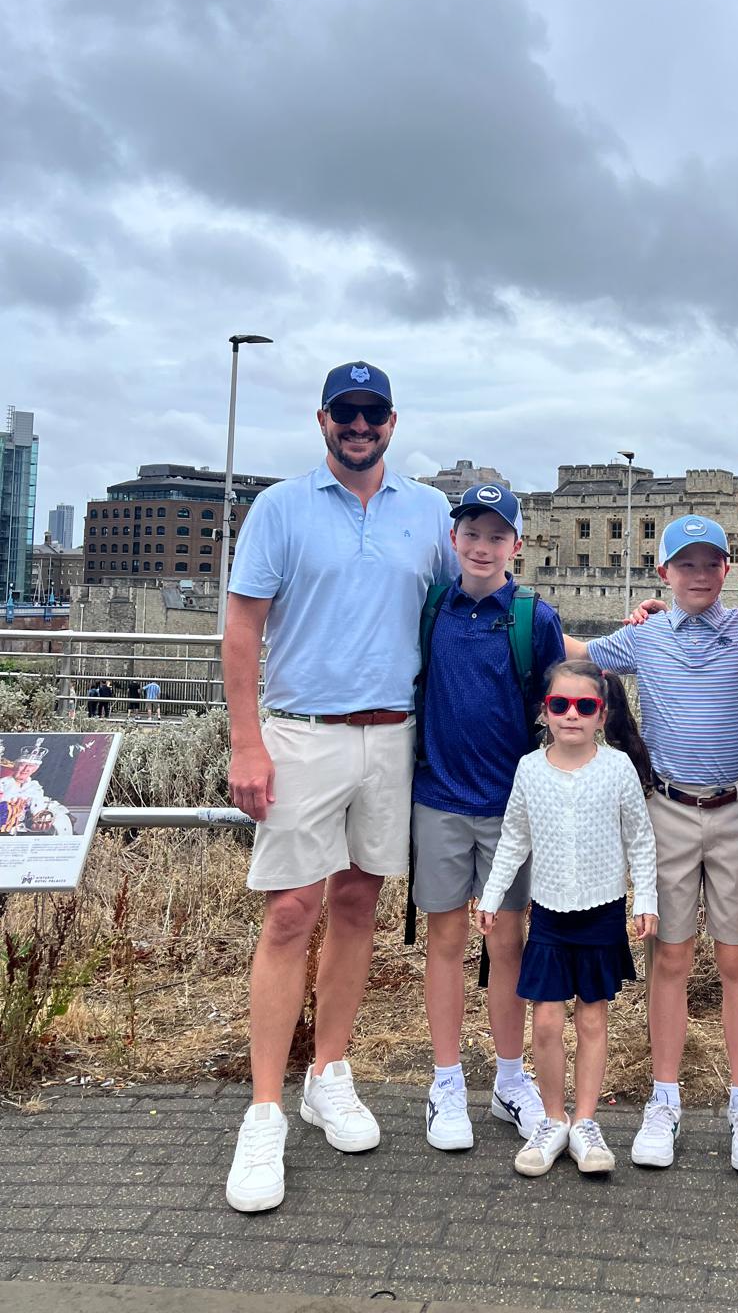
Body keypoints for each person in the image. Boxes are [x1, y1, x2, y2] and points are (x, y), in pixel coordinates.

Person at [221, 360, 457, 1214]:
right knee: (291, 913)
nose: (360, 427)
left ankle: (329, 1072)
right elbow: (241, 629)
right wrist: (247, 743)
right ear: (323, 420)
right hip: (302, 733)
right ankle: (264, 1112)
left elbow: (472, 598)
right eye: (345, 413)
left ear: (392, 421)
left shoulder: (428, 512)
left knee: (358, 904)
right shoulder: (280, 508)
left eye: (373, 414)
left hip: (393, 735)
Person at [561, 515, 738, 1174]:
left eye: (711, 563)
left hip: (736, 810)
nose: (700, 575)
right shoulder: (644, 635)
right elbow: (579, 653)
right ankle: (664, 1099)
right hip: (670, 813)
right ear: (665, 573)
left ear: (728, 569)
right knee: (671, 958)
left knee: (737, 958)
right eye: (687, 564)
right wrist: (513, 608)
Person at [411, 483, 564, 1153]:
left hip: (510, 810)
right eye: (471, 533)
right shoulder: (431, 609)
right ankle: (446, 1081)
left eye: (496, 536)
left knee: (506, 944)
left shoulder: (535, 618)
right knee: (444, 942)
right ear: (454, 539)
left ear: (516, 546)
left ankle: (508, 1078)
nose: (481, 546)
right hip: (440, 800)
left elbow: (561, 705)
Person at [475, 659, 658, 1177]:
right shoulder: (530, 769)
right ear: (545, 712)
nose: (571, 714)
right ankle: (552, 1119)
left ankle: (585, 1122)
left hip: (602, 911)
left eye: (584, 706)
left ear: (601, 714)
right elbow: (514, 838)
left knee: (592, 1017)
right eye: (560, 704)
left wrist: (646, 899)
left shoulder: (617, 768)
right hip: (550, 914)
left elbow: (640, 839)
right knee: (547, 1020)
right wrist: (492, 896)